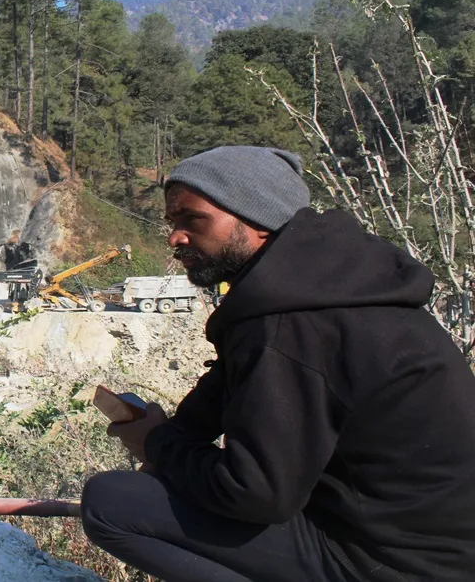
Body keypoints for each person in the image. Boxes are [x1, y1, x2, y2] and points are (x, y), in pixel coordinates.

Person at [80, 146, 475, 582]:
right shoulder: (320, 287)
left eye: (192, 219)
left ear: (258, 220)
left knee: (111, 503)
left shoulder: (293, 325)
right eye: (173, 221)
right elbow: (226, 385)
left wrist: (158, 444)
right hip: (425, 546)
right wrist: (172, 435)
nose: (175, 237)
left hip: (393, 564)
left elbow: (256, 493)